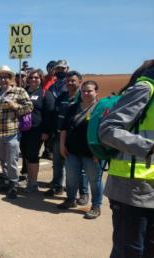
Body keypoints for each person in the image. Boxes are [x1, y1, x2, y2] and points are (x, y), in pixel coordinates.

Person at [99, 60, 154, 257]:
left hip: (150, 188)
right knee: (130, 251)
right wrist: (149, 147)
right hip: (132, 188)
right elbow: (107, 129)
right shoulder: (145, 89)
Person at [0, 65, 33, 199]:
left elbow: (29, 107)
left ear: (11, 79)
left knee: (11, 160)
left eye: (6, 77)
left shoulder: (19, 91)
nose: (3, 80)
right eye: (1, 77)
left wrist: (15, 106)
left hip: (13, 132)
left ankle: (14, 184)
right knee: (2, 160)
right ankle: (7, 180)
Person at [58, 80, 102, 219]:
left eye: (89, 91)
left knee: (95, 180)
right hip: (72, 150)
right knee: (71, 178)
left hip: (92, 152)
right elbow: (64, 128)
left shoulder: (100, 109)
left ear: (96, 92)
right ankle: (70, 200)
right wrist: (62, 144)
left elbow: (105, 132)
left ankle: (96, 206)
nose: (86, 93)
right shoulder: (73, 107)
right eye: (84, 91)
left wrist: (100, 152)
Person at [45, 70, 89, 204]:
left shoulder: (83, 97)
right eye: (68, 81)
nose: (69, 83)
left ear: (79, 82)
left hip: (75, 140)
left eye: (73, 81)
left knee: (80, 169)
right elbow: (54, 114)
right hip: (59, 136)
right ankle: (57, 187)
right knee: (57, 164)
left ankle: (83, 194)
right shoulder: (62, 96)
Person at [20, 69, 54, 193]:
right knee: (26, 156)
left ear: (41, 79)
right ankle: (30, 180)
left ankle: (33, 184)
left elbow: (49, 114)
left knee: (33, 155)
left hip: (37, 131)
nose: (34, 80)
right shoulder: (24, 92)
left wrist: (46, 132)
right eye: (31, 78)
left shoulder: (45, 93)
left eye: (36, 78)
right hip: (23, 130)